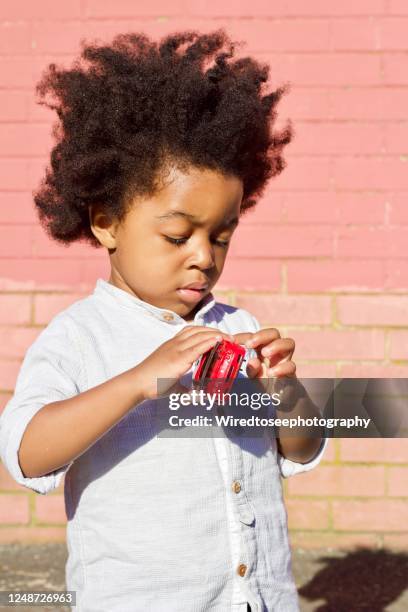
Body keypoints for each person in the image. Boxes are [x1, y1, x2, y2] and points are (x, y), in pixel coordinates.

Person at [0, 29, 328, 611]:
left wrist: (287, 394)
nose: (204, 255)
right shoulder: (81, 337)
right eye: (178, 235)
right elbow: (26, 452)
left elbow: (300, 450)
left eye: (221, 236)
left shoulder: (239, 323)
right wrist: (140, 379)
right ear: (106, 222)